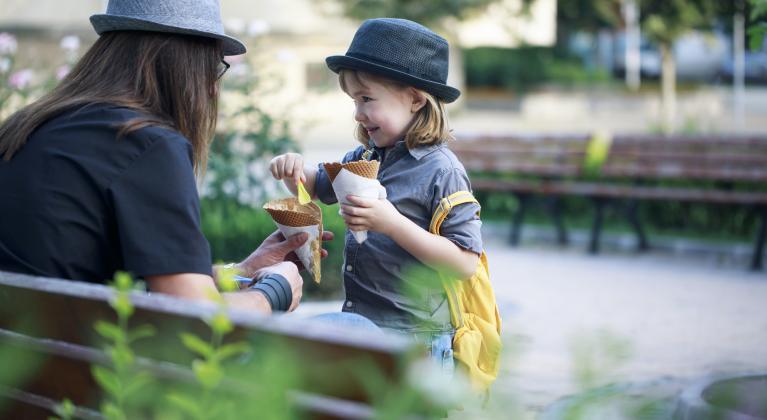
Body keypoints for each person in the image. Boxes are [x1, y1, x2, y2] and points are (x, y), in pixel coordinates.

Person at [0, 0, 330, 314]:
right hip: (87, 365)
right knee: (346, 326)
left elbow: (98, 272)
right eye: (213, 68)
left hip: (25, 357)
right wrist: (274, 291)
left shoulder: (27, 127)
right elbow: (192, 317)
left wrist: (242, 271)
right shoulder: (144, 144)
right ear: (181, 64)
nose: (214, 89)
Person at [269, 18, 484, 370]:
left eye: (367, 99)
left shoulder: (443, 171)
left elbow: (464, 262)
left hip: (416, 340)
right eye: (354, 100)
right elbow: (316, 185)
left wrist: (392, 223)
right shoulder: (364, 157)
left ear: (415, 99)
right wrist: (293, 170)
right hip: (363, 327)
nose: (358, 112)